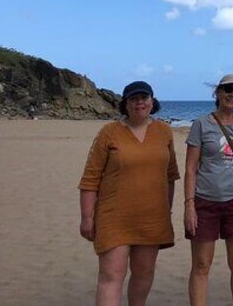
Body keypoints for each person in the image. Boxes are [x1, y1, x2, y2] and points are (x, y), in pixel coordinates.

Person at [78, 80, 179, 306]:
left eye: (144, 98)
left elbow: (170, 176)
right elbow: (90, 178)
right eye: (134, 99)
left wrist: (168, 211)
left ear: (153, 102)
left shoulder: (164, 131)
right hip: (114, 217)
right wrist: (86, 218)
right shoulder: (109, 132)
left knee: (144, 274)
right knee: (111, 276)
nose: (139, 103)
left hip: (152, 218)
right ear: (125, 104)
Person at [183, 74, 233, 306]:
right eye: (228, 89)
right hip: (205, 202)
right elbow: (190, 168)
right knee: (201, 265)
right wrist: (189, 205)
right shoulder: (202, 124)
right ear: (217, 92)